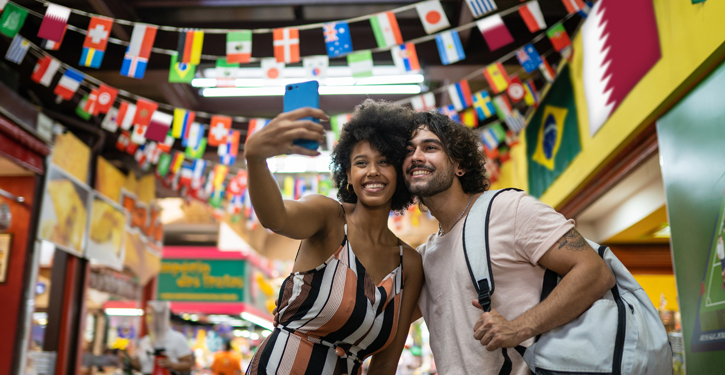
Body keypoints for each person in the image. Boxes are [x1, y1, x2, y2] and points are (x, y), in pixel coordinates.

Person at [404, 111, 616, 375]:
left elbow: (595, 272)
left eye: (430, 147)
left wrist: (519, 327)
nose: (416, 157)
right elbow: (385, 323)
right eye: (408, 151)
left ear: (460, 164)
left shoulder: (507, 209)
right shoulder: (424, 257)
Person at [244, 100, 423, 375]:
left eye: (384, 162)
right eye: (361, 163)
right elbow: (276, 218)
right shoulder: (330, 217)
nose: (372, 171)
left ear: (400, 174)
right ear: (348, 175)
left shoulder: (409, 263)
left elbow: (386, 364)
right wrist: (255, 159)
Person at [129, 301, 193, 375]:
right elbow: (142, 367)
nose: (149, 319)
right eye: (147, 315)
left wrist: (172, 365)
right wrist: (128, 360)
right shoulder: (145, 340)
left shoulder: (177, 338)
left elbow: (189, 364)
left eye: (152, 315)